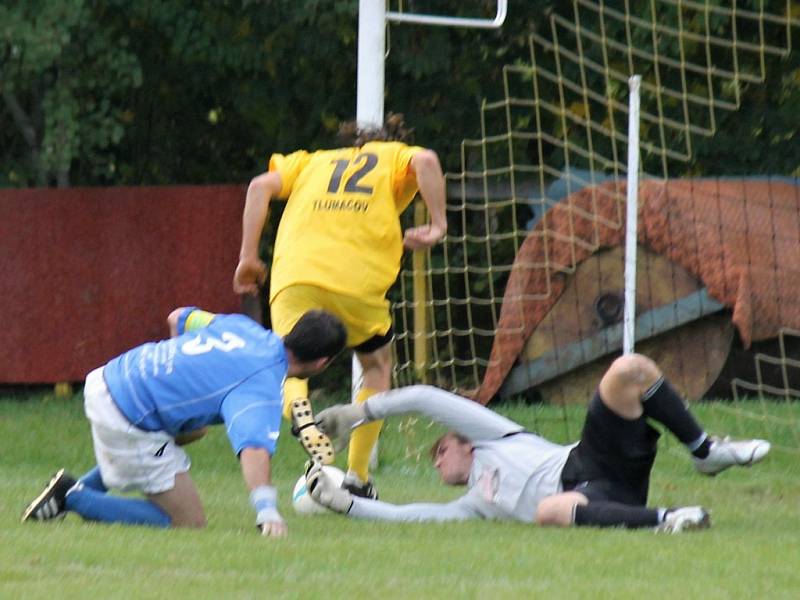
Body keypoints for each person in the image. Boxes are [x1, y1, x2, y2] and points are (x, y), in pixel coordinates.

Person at [306, 353, 771, 532]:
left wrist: (358, 412)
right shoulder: (474, 506)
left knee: (628, 369)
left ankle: (705, 451)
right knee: (548, 513)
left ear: (464, 442)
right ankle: (669, 520)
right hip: (595, 499)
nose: (436, 464)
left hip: (594, 457)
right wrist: (344, 504)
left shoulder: (496, 435)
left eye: (439, 451)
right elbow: (406, 515)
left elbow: (427, 398)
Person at [232, 114, 447, 499]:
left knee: (285, 358)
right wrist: (437, 224)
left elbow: (258, 187)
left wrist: (248, 256)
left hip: (297, 273)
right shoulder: (393, 157)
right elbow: (427, 161)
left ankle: (299, 406)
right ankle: (357, 478)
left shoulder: (310, 161)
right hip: (358, 280)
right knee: (377, 369)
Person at [21, 306, 346, 537]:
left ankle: (72, 490)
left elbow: (179, 316)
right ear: (321, 362)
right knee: (188, 522)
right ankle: (72, 497)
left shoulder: (245, 328)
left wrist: (177, 370)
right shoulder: (262, 384)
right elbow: (254, 450)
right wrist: (267, 511)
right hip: (126, 411)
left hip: (113, 374)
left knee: (190, 432)